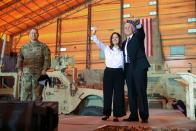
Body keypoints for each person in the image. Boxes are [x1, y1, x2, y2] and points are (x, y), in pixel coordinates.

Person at [91, 27, 126, 122]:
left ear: (119, 39)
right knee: (107, 94)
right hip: (108, 73)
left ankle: (116, 115)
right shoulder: (106, 48)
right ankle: (106, 114)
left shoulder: (123, 50)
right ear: (111, 39)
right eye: (113, 37)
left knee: (118, 95)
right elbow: (97, 42)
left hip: (119, 73)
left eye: (116, 37)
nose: (114, 39)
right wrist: (94, 33)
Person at [122, 19, 150, 123]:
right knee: (131, 93)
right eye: (125, 27)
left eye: (129, 27)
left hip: (139, 68)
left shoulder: (137, 37)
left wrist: (138, 24)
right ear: (124, 30)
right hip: (128, 69)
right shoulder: (124, 43)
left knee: (140, 91)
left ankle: (144, 116)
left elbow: (142, 33)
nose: (127, 29)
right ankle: (133, 115)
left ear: (133, 29)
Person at [16, 28, 51, 101]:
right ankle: (25, 109)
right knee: (25, 91)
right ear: (29, 35)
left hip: (39, 73)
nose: (33, 34)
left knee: (38, 93)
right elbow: (20, 59)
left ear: (38, 35)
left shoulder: (43, 46)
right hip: (26, 73)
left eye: (35, 33)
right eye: (32, 33)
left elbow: (47, 59)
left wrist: (45, 69)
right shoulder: (24, 47)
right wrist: (19, 70)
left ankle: (36, 110)